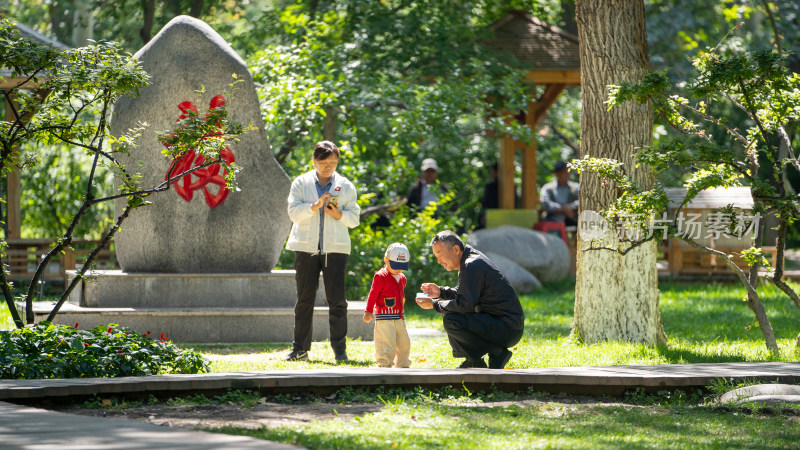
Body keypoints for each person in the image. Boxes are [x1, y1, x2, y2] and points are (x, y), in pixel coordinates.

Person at [284, 140, 360, 362]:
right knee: (305, 299)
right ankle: (300, 349)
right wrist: (315, 207)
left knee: (337, 300)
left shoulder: (345, 186)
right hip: (306, 247)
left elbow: (354, 218)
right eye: (325, 162)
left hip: (335, 248)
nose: (329, 167)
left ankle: (340, 350)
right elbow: (293, 213)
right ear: (314, 161)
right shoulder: (301, 183)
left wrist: (339, 215)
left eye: (334, 162)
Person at [416, 231, 524, 369]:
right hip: (501, 324)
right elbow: (466, 295)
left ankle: (494, 354)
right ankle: (476, 360)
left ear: (455, 249)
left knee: (452, 320)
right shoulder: (470, 260)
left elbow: (464, 305)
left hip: (507, 328)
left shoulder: (472, 264)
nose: (439, 261)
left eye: (440, 254)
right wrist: (440, 292)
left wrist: (434, 304)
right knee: (453, 316)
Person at [362, 243, 412, 368]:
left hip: (399, 317)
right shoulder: (380, 276)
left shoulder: (402, 278)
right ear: (386, 260)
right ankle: (385, 365)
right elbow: (373, 294)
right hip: (384, 317)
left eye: (402, 267)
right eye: (396, 266)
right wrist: (368, 311)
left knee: (404, 343)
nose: (399, 270)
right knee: (386, 343)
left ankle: (403, 364)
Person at [540, 160, 579, 226]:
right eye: (564, 172)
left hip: (573, 220)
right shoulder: (548, 188)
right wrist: (562, 209)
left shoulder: (575, 187)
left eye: (568, 171)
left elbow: (582, 201)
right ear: (557, 173)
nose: (567, 174)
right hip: (553, 221)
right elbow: (546, 203)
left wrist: (571, 207)